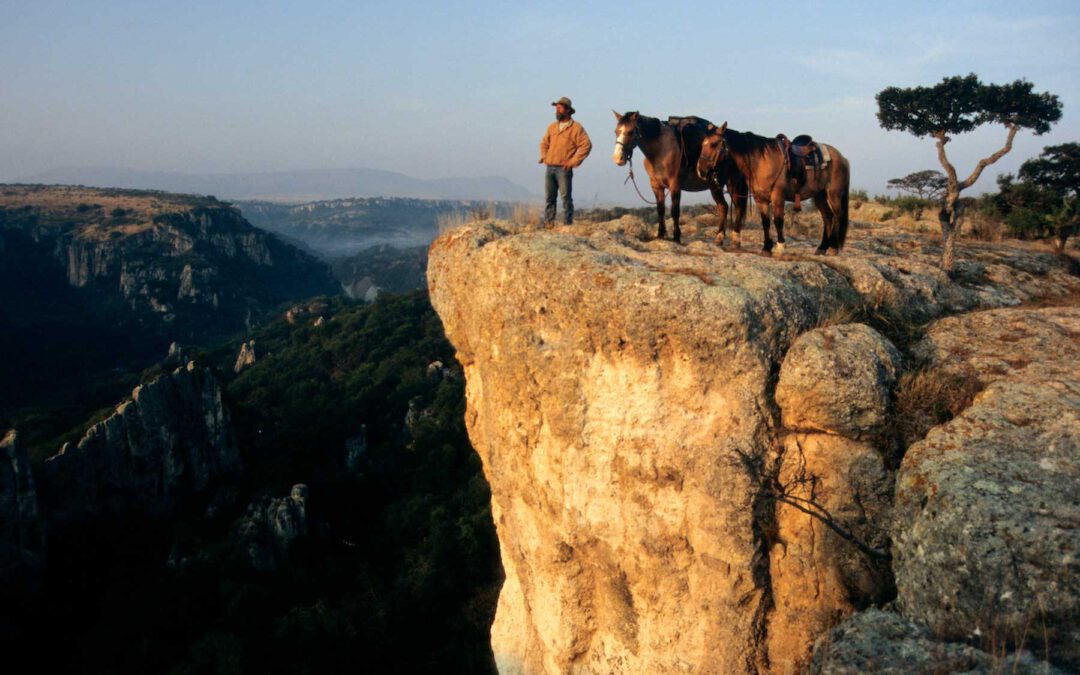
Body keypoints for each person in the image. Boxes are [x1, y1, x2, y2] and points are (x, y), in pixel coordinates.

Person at [539, 96, 592, 225]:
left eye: (560, 108)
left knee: (566, 199)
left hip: (564, 169)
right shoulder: (552, 127)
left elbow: (586, 145)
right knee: (550, 198)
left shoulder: (576, 128)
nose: (557, 111)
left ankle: (567, 224)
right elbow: (544, 143)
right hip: (549, 167)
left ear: (568, 110)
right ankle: (548, 223)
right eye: (556, 108)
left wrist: (573, 162)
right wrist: (545, 156)